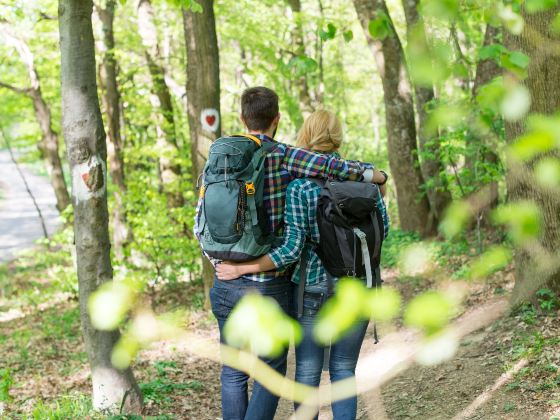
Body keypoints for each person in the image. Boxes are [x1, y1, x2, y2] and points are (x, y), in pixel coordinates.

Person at [194, 87, 388, 420]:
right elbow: (378, 228)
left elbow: (202, 224)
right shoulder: (290, 159)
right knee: (322, 371)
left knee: (243, 372)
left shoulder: (222, 160)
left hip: (248, 283)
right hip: (306, 285)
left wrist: (224, 265)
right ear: (277, 119)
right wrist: (376, 176)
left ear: (242, 117)